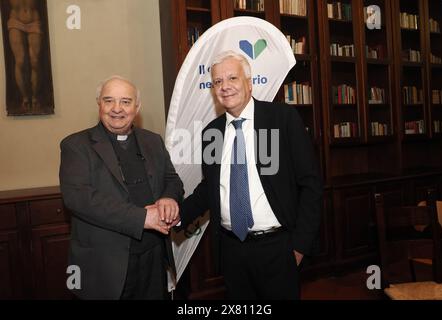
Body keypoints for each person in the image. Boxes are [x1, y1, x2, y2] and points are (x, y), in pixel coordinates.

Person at [180, 51, 323, 299]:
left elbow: (311, 184)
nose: (225, 87)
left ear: (249, 82)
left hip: (278, 249)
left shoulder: (281, 119)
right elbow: (210, 188)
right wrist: (176, 215)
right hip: (231, 250)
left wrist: (300, 246)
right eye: (217, 82)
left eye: (232, 78)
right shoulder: (211, 133)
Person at [59, 76, 183, 299]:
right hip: (105, 264)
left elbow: (172, 180)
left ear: (137, 107)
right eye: (109, 101)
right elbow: (79, 198)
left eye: (125, 101)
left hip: (153, 258)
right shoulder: (76, 145)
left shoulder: (153, 141)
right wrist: (142, 218)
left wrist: (169, 198)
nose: (117, 109)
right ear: (99, 104)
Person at [7, 0, 43, 112]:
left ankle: (35, 97)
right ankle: (25, 98)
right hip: (15, 21)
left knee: (34, 62)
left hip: (34, 20)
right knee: (20, 61)